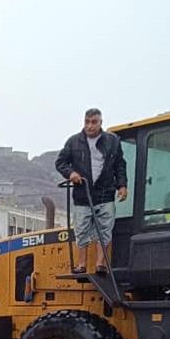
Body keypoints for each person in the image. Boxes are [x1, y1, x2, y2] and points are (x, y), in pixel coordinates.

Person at [55, 107, 128, 275]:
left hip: (105, 193)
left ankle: (100, 264)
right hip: (82, 194)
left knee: (105, 229)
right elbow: (60, 163)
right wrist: (71, 173)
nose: (90, 126)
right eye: (87, 122)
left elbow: (120, 165)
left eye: (94, 122)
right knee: (81, 230)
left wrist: (122, 185)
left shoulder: (112, 141)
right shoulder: (74, 142)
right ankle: (81, 264)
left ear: (101, 123)